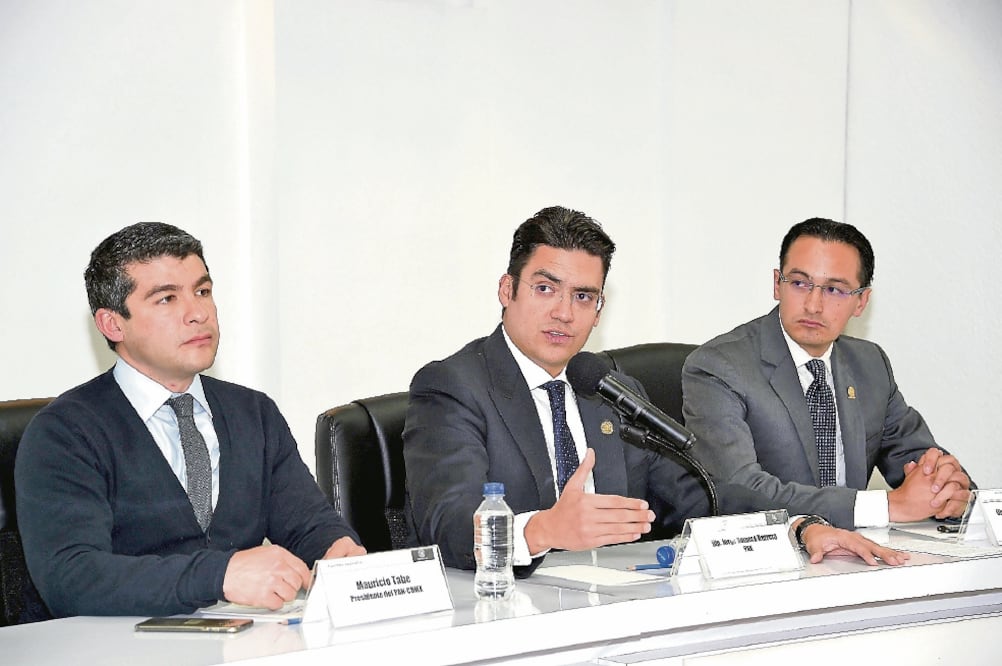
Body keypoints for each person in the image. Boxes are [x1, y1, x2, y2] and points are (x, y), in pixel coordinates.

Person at [403, 207, 906, 575]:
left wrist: (801, 528)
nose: (563, 312)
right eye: (544, 288)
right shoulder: (452, 387)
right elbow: (447, 523)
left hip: (620, 610)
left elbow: (702, 495)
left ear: (599, 310)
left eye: (583, 296)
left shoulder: (609, 389)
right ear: (506, 290)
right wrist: (542, 530)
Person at [15, 222, 365, 618]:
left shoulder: (253, 413)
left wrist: (337, 552)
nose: (198, 313)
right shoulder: (65, 432)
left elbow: (308, 525)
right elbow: (73, 577)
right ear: (113, 324)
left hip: (238, 645)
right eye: (166, 299)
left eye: (202, 291)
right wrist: (220, 576)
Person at [682, 217, 972, 530]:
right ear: (777, 284)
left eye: (834, 289)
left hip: (857, 557)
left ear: (861, 301)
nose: (813, 305)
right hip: (769, 558)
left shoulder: (870, 364)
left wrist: (949, 491)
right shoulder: (719, 366)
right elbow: (737, 488)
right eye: (799, 283)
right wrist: (886, 506)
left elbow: (919, 459)